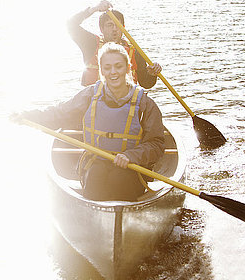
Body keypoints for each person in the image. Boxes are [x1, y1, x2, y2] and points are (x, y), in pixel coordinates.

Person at [13, 42, 165, 201]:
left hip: (132, 167)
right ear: (101, 70)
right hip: (96, 162)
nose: (113, 72)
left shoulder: (145, 103)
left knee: (119, 178)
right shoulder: (90, 95)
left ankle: (127, 218)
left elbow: (157, 144)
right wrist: (27, 116)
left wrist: (131, 156)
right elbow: (59, 113)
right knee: (96, 176)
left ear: (127, 68)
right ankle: (96, 215)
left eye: (118, 66)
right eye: (107, 67)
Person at [67, 0, 162, 88]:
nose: (114, 29)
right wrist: (94, 9)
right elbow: (70, 24)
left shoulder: (134, 51)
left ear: (123, 28)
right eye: (109, 25)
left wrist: (152, 74)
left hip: (125, 104)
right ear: (101, 29)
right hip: (96, 101)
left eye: (118, 25)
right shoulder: (91, 44)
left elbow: (146, 83)